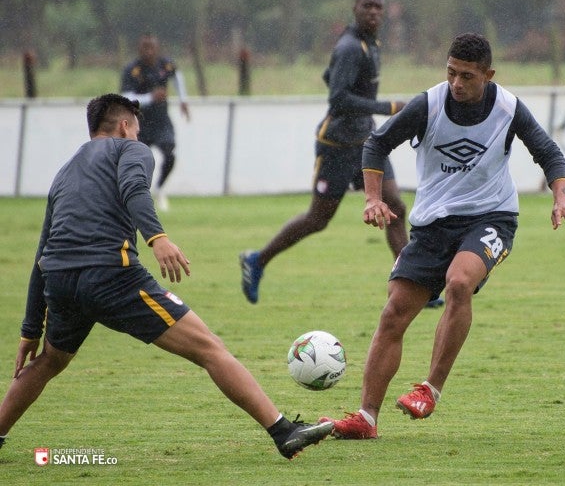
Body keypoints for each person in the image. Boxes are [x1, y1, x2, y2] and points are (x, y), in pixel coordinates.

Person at [0, 94, 333, 459]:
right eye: (137, 129)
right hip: (110, 275)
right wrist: (157, 238)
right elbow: (134, 188)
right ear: (126, 125)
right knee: (209, 348)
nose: (139, 136)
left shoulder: (64, 172)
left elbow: (41, 252)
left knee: (49, 360)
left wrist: (30, 329)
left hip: (60, 280)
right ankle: (283, 431)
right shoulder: (132, 150)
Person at [319, 32, 565, 439]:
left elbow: (549, 153)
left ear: (488, 75)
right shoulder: (429, 104)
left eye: (468, 76)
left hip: (491, 218)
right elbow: (376, 144)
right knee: (394, 313)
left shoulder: (509, 108)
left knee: (459, 282)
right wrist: (372, 197)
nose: (457, 83)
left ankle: (430, 388)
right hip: (433, 225)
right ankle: (366, 419)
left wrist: (561, 196)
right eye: (451, 72)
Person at [238, 0, 448, 307]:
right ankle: (257, 260)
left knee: (394, 208)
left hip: (368, 142)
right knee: (317, 219)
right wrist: (389, 107)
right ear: (355, 9)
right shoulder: (351, 47)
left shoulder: (370, 43)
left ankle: (414, 283)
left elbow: (329, 75)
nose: (374, 12)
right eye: (368, 6)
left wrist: (368, 109)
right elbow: (337, 98)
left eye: (379, 6)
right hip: (337, 145)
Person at [120, 34, 190, 212]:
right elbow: (126, 97)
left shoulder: (165, 64)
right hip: (140, 123)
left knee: (170, 153)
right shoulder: (133, 70)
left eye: (152, 47)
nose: (149, 51)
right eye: (145, 47)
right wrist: (150, 98)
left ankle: (159, 189)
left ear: (157, 48)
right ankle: (134, 197)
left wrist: (183, 100)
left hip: (161, 121)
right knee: (138, 162)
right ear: (139, 49)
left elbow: (177, 77)